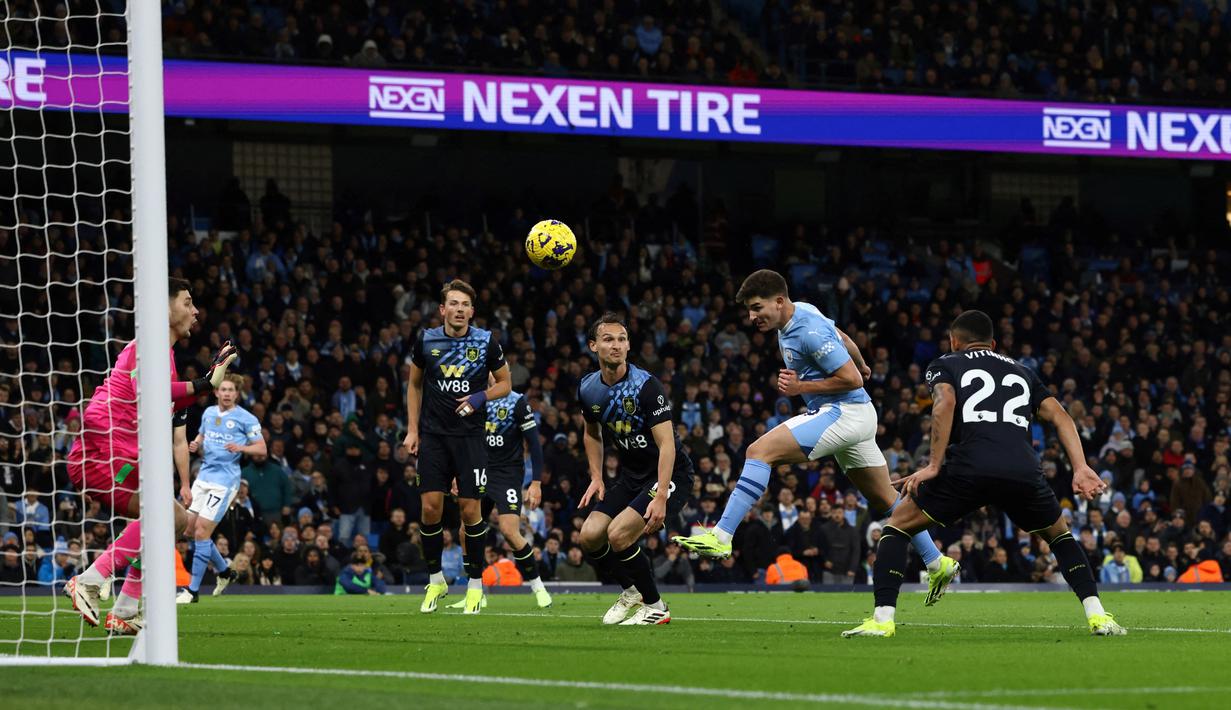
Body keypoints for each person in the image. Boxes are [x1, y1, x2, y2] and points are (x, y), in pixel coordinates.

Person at [675, 269, 958, 604]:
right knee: (886, 500)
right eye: (749, 310)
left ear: (779, 302)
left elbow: (853, 380)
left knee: (758, 451)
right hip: (856, 416)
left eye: (757, 307)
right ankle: (936, 561)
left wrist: (803, 387)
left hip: (844, 413)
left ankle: (722, 534)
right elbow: (842, 337)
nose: (752, 317)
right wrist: (862, 362)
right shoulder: (803, 311)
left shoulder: (805, 329)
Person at [843, 311, 1126, 638]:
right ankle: (1098, 617)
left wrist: (934, 465)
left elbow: (945, 402)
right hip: (1022, 470)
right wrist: (1080, 466)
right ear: (993, 343)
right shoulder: (1023, 371)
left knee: (896, 528)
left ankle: (882, 620)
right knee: (1060, 537)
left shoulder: (946, 363)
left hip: (970, 468)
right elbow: (1061, 416)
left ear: (954, 341)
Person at [66, 277, 237, 634]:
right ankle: (91, 579)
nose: (195, 310)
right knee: (163, 514)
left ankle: (125, 609)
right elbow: (154, 388)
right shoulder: (148, 345)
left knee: (174, 520)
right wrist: (206, 383)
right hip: (105, 447)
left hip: (117, 450)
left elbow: (168, 396)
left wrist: (206, 380)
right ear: (165, 306)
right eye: (188, 302)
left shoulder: (166, 355)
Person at [577, 313, 694, 625]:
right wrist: (597, 476)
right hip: (631, 477)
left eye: (621, 339)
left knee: (618, 535)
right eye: (608, 339)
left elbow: (667, 446)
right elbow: (591, 432)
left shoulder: (646, 386)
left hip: (668, 474)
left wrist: (660, 498)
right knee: (589, 536)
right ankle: (630, 592)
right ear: (593, 346)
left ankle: (656, 607)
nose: (616, 345)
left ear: (628, 345)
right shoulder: (588, 389)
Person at [403, 279, 512, 614]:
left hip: (471, 439)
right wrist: (412, 430)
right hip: (434, 437)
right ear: (442, 309)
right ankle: (436, 580)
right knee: (430, 509)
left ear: (472, 311)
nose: (459, 309)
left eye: (465, 304)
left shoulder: (486, 342)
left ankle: (475, 586)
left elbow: (506, 384)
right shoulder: (426, 340)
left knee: (470, 512)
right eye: (453, 303)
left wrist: (480, 396)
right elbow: (414, 386)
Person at [449, 376, 552, 609]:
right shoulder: (472, 400)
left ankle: (538, 587)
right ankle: (475, 591)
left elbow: (534, 443)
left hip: (507, 474)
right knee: (466, 532)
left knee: (508, 531)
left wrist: (535, 482)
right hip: (478, 471)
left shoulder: (516, 401)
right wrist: (457, 473)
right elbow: (463, 442)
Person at [177, 375, 266, 604]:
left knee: (201, 532)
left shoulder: (246, 418)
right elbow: (202, 436)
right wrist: (196, 443)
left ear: (237, 394)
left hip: (225, 481)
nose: (226, 393)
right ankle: (225, 572)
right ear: (216, 392)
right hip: (204, 476)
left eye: (231, 390)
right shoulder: (208, 413)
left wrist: (242, 447)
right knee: (186, 529)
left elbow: (262, 449)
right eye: (223, 389)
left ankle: (192, 590)